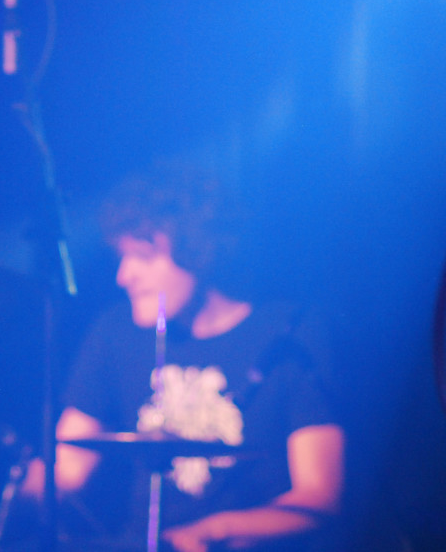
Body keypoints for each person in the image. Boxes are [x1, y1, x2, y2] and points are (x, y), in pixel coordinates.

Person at [20, 162, 344, 552]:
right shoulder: (114, 330)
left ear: (199, 251)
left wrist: (217, 530)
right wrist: (1, 482)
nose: (124, 276)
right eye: (121, 257)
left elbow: (320, 495)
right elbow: (68, 466)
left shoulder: (291, 334)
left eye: (143, 256)